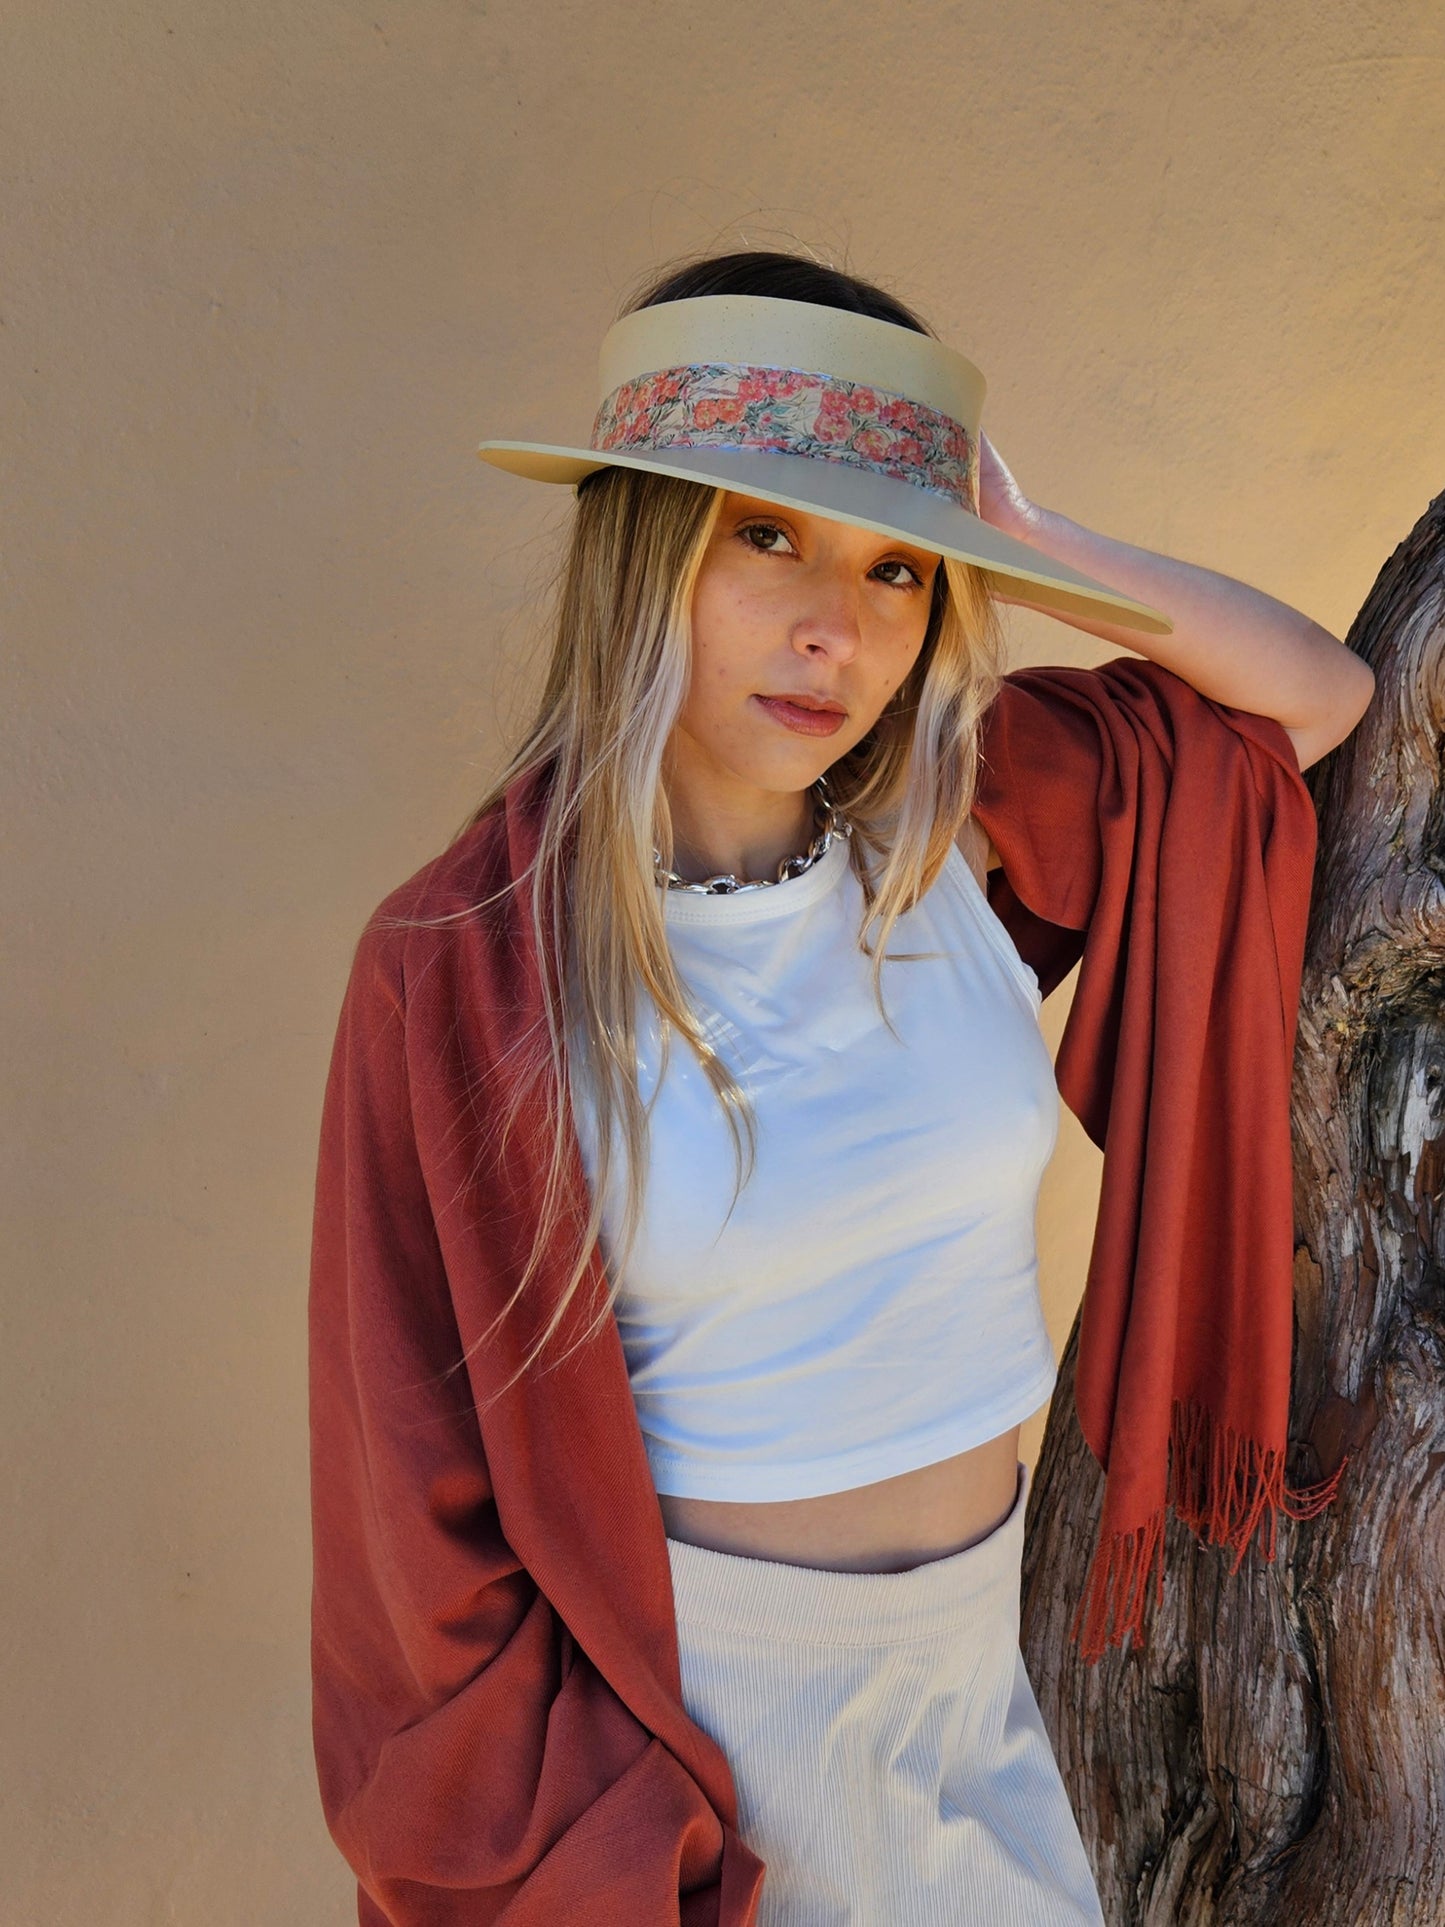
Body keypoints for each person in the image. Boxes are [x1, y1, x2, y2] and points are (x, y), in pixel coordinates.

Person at [307, 249, 1374, 1926]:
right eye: (766, 536)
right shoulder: (470, 966)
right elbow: (410, 1504)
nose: (836, 628)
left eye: (896, 568)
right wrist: (592, 1856)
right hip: (704, 1751)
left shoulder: (953, 836)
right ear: (643, 548)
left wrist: (1023, 537)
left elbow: (1315, 698)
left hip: (981, 1689)